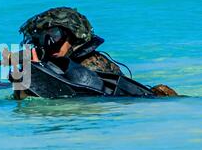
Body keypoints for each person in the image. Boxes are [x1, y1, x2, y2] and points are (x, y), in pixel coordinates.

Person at [13, 7, 177, 97]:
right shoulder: (55, 66)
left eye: (56, 37)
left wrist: (38, 73)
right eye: (42, 39)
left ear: (73, 36)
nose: (49, 44)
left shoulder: (92, 63)